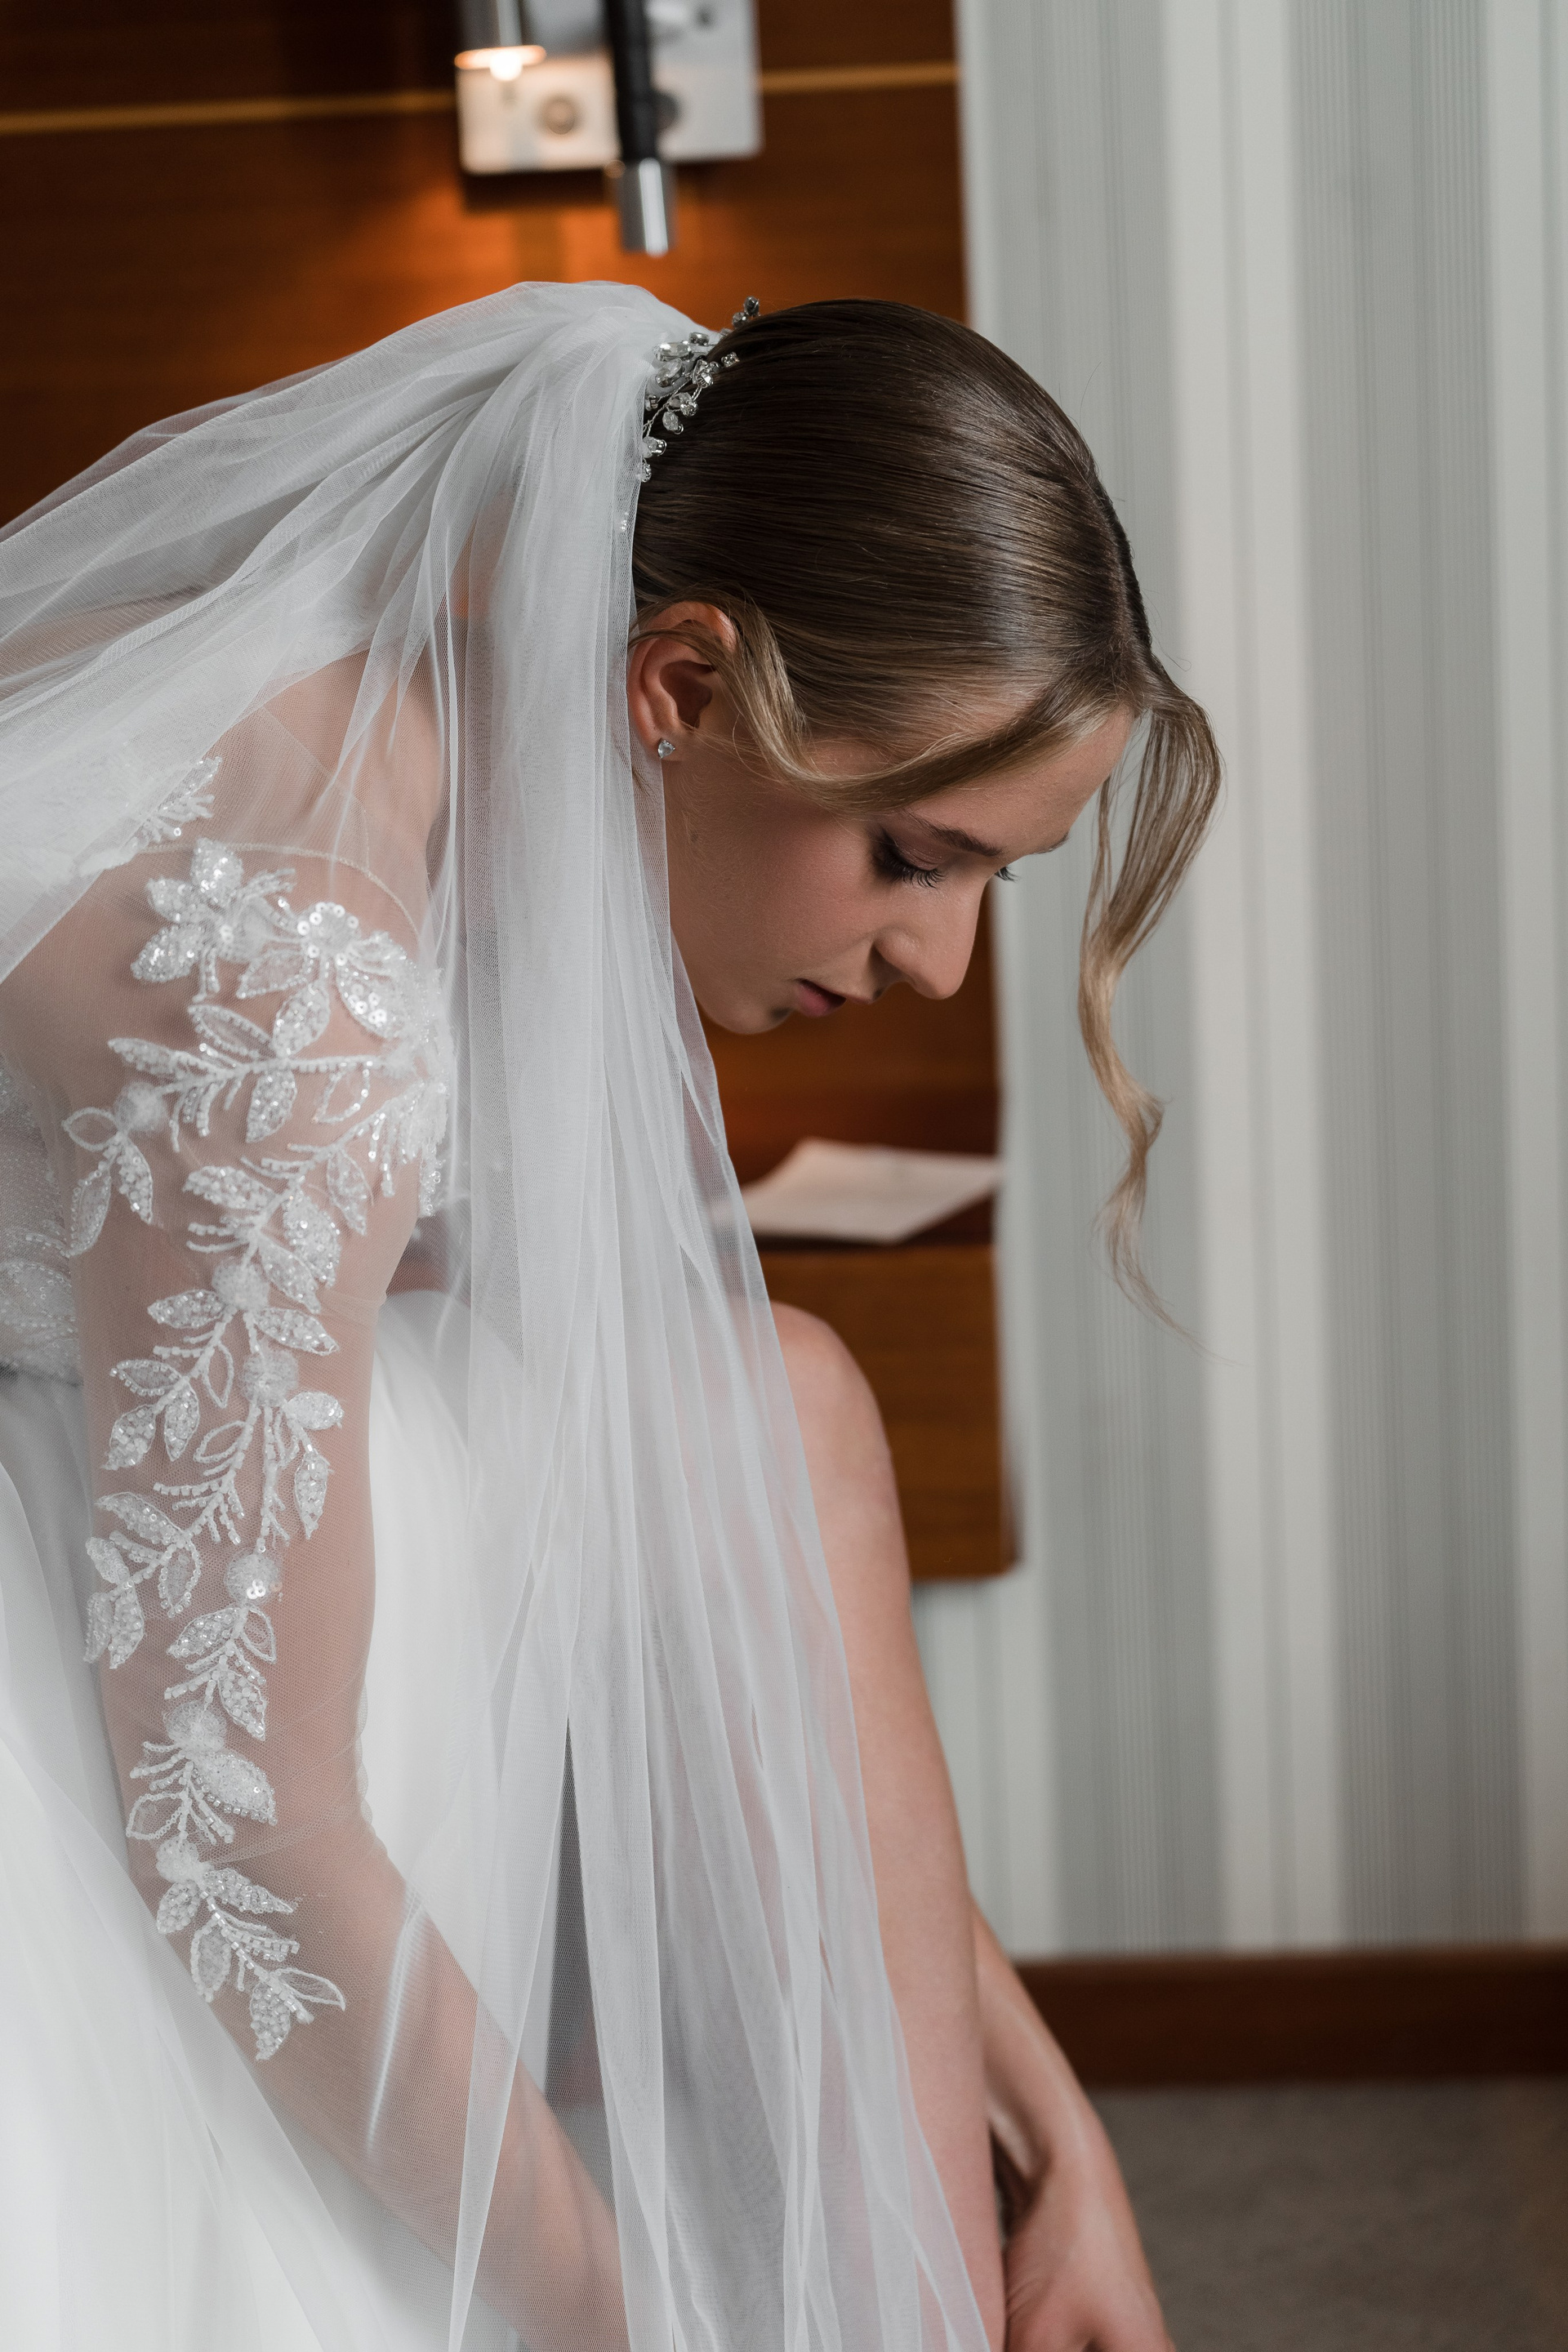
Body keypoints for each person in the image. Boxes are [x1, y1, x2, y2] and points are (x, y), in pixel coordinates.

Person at [0, 284, 1216, 2352]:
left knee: (766, 1396)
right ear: (679, 681)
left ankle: (927, 2284)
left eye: (988, 885)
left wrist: (1053, 2131)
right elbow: (236, 1828)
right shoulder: (287, 988)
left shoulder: (455, 756)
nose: (934, 963)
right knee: (767, 1407)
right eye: (910, 854)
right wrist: (615, 2315)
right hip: (160, 1689)